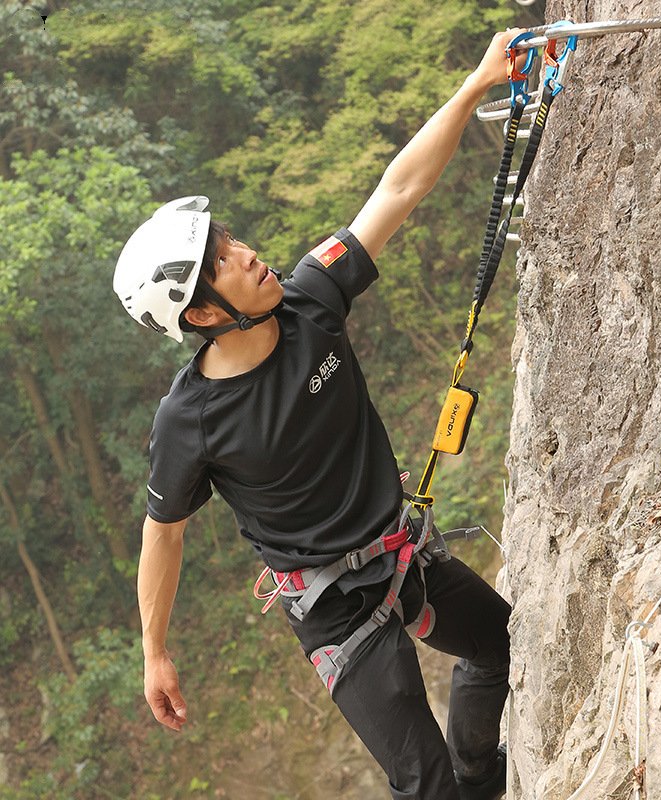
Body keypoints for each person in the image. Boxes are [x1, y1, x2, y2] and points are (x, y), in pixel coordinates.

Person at [114, 28, 525, 800]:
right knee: (420, 785)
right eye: (223, 263)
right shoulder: (190, 419)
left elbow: (396, 191)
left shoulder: (310, 300)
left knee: (504, 647)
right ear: (201, 315)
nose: (246, 255)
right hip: (337, 613)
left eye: (231, 239)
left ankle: (483, 778)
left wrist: (476, 84)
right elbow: (162, 534)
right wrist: (155, 651)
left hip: (405, 554)